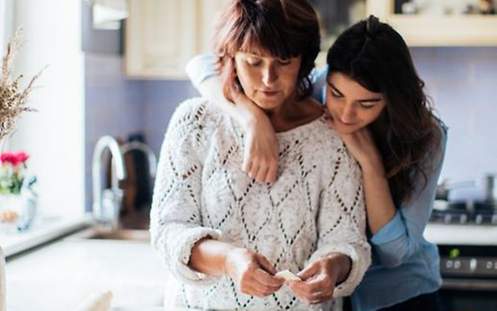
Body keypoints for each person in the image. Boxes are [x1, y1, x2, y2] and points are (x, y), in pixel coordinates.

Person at [186, 13, 447, 311]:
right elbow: (202, 65)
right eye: (336, 95)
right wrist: (251, 118)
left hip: (397, 295)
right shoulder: (315, 86)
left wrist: (370, 164)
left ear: (391, 99)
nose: (346, 114)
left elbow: (395, 253)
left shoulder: (427, 135)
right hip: (330, 297)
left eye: (367, 104)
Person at [150, 1, 371, 310]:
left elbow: (348, 240)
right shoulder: (195, 123)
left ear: (304, 62)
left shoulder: (332, 137)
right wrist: (229, 260)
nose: (269, 78)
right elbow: (168, 231)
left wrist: (332, 267)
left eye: (283, 61)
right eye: (254, 61)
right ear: (231, 59)